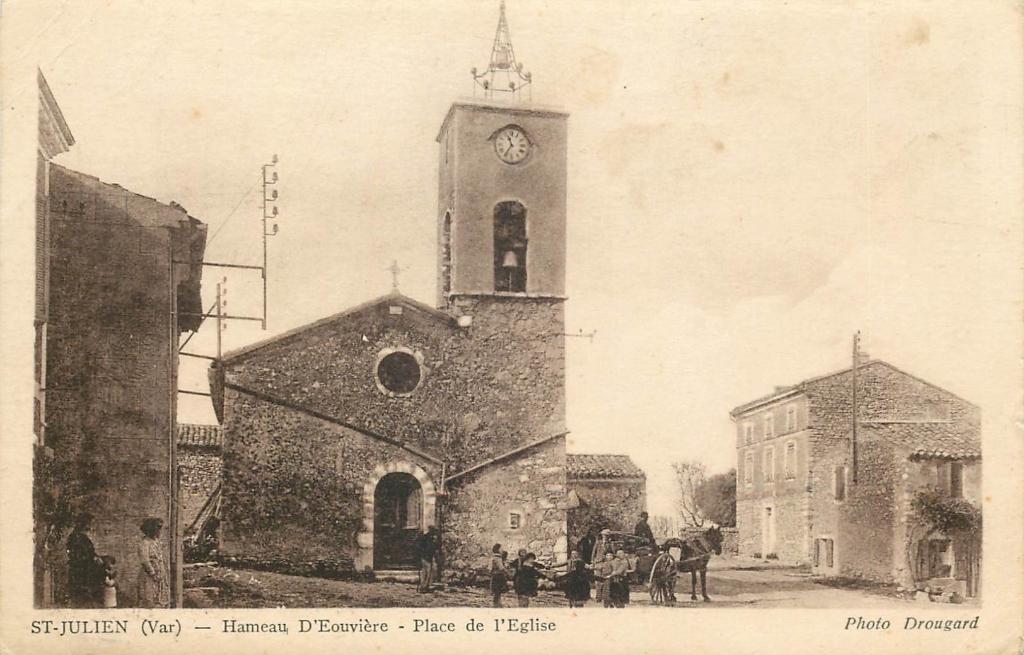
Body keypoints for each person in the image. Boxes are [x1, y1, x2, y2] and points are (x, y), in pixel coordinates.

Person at [66, 512, 102, 608]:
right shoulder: (75, 537)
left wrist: (96, 557)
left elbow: (90, 552)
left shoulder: (83, 537)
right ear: (83, 523)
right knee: (81, 600)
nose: (90, 525)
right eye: (89, 523)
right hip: (79, 573)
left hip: (86, 572)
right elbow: (77, 556)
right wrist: (93, 559)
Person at [137, 517, 169, 608]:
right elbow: (145, 560)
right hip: (149, 576)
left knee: (160, 599)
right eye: (158, 528)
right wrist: (153, 573)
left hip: (159, 575)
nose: (159, 531)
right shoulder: (144, 543)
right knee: (149, 599)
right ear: (151, 530)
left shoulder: (156, 542)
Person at [413, 526, 440, 593]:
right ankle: (424, 587)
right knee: (427, 572)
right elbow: (423, 547)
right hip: (425, 556)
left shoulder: (431, 538)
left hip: (427, 557)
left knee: (426, 572)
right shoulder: (426, 538)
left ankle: (424, 586)